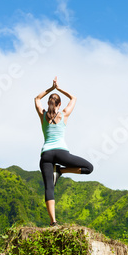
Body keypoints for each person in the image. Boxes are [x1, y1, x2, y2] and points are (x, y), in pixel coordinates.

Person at [34, 77, 93, 226]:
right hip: (61, 152)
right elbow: (73, 98)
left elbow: (36, 98)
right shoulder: (64, 114)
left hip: (46, 154)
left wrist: (50, 89)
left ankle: (53, 222)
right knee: (89, 168)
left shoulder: (43, 115)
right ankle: (61, 171)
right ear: (59, 104)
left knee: (49, 187)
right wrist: (58, 88)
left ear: (49, 103)